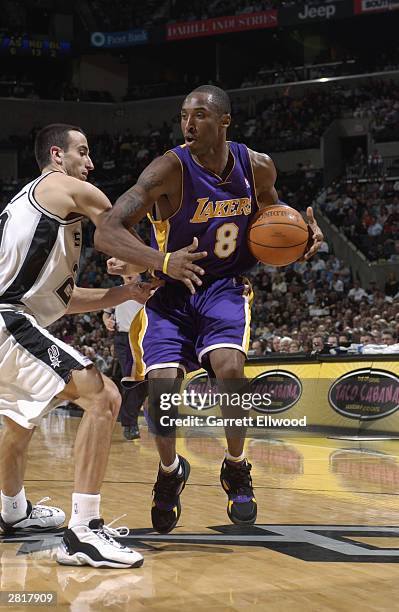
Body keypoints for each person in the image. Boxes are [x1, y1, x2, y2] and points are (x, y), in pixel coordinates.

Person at [94, 85, 323, 534]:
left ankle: (236, 466)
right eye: (183, 115)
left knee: (229, 369)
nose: (188, 124)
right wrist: (160, 261)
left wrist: (301, 243)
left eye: (199, 115)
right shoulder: (168, 168)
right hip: (171, 291)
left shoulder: (256, 166)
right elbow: (107, 229)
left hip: (223, 287)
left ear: (224, 122)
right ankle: (170, 471)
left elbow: (274, 223)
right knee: (161, 390)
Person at [0, 123, 158, 568]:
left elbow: (63, 299)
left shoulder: (38, 209)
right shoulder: (62, 187)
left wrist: (125, 292)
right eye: (82, 152)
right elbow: (116, 223)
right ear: (56, 156)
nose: (90, 163)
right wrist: (150, 261)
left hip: (11, 315)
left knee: (18, 420)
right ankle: (84, 532)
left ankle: (12, 511)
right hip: (6, 319)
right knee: (103, 395)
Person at [103, 262, 146, 440]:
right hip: (123, 339)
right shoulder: (116, 291)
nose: (129, 273)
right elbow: (106, 313)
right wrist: (107, 321)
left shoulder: (147, 289)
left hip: (145, 338)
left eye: (132, 268)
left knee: (146, 382)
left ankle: (127, 416)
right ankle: (129, 424)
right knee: (131, 380)